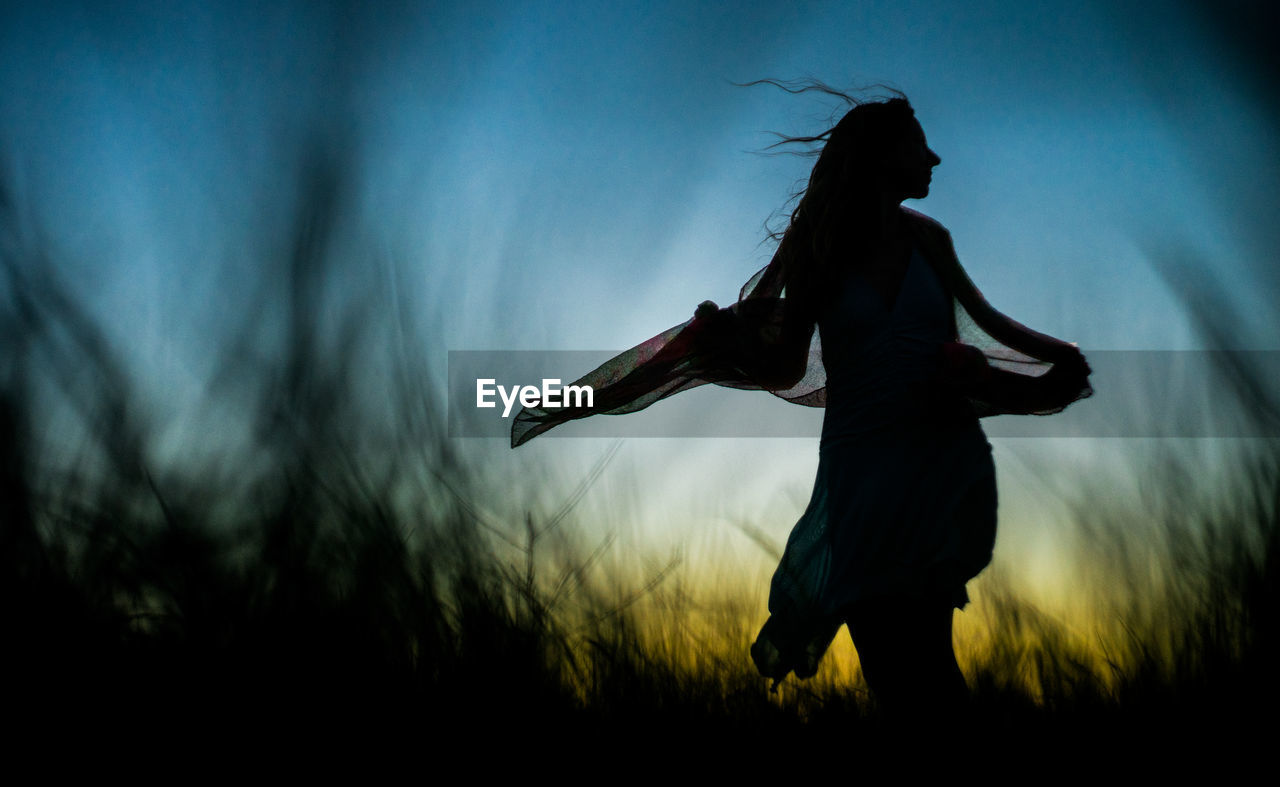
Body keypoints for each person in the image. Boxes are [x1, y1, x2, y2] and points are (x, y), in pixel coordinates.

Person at [511, 85, 1092, 718]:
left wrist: (1056, 359)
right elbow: (785, 364)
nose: (935, 159)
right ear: (877, 156)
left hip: (939, 462)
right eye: (918, 144)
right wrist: (723, 336)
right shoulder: (819, 248)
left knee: (928, 656)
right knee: (897, 669)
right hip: (863, 470)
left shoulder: (930, 241)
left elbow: (987, 326)